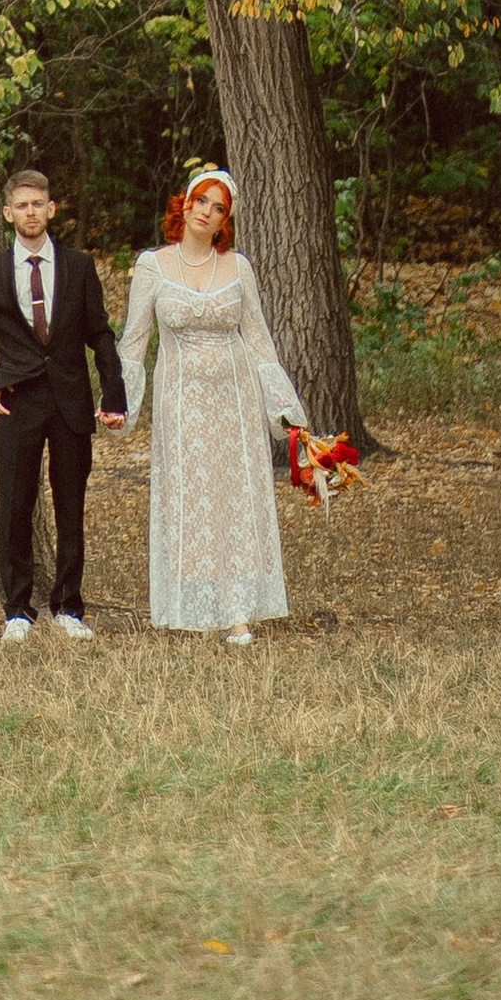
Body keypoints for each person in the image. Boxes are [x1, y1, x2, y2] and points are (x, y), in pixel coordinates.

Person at [116, 163, 309, 644]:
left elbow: (260, 342)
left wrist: (283, 410)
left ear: (226, 220)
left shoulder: (239, 268)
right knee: (192, 496)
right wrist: (121, 403)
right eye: (200, 200)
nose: (205, 211)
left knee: (235, 496)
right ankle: (197, 604)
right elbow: (134, 342)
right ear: (184, 204)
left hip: (235, 397)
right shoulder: (152, 266)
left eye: (217, 207)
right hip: (182, 398)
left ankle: (238, 610)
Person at [0, 165, 128, 644]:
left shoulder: (79, 267)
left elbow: (100, 335)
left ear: (51, 209)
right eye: (21, 205)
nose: (30, 212)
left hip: (71, 402)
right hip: (19, 403)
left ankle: (69, 607)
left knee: (71, 506)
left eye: (38, 204)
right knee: (16, 506)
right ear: (8, 213)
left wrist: (113, 394)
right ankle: (17, 611)